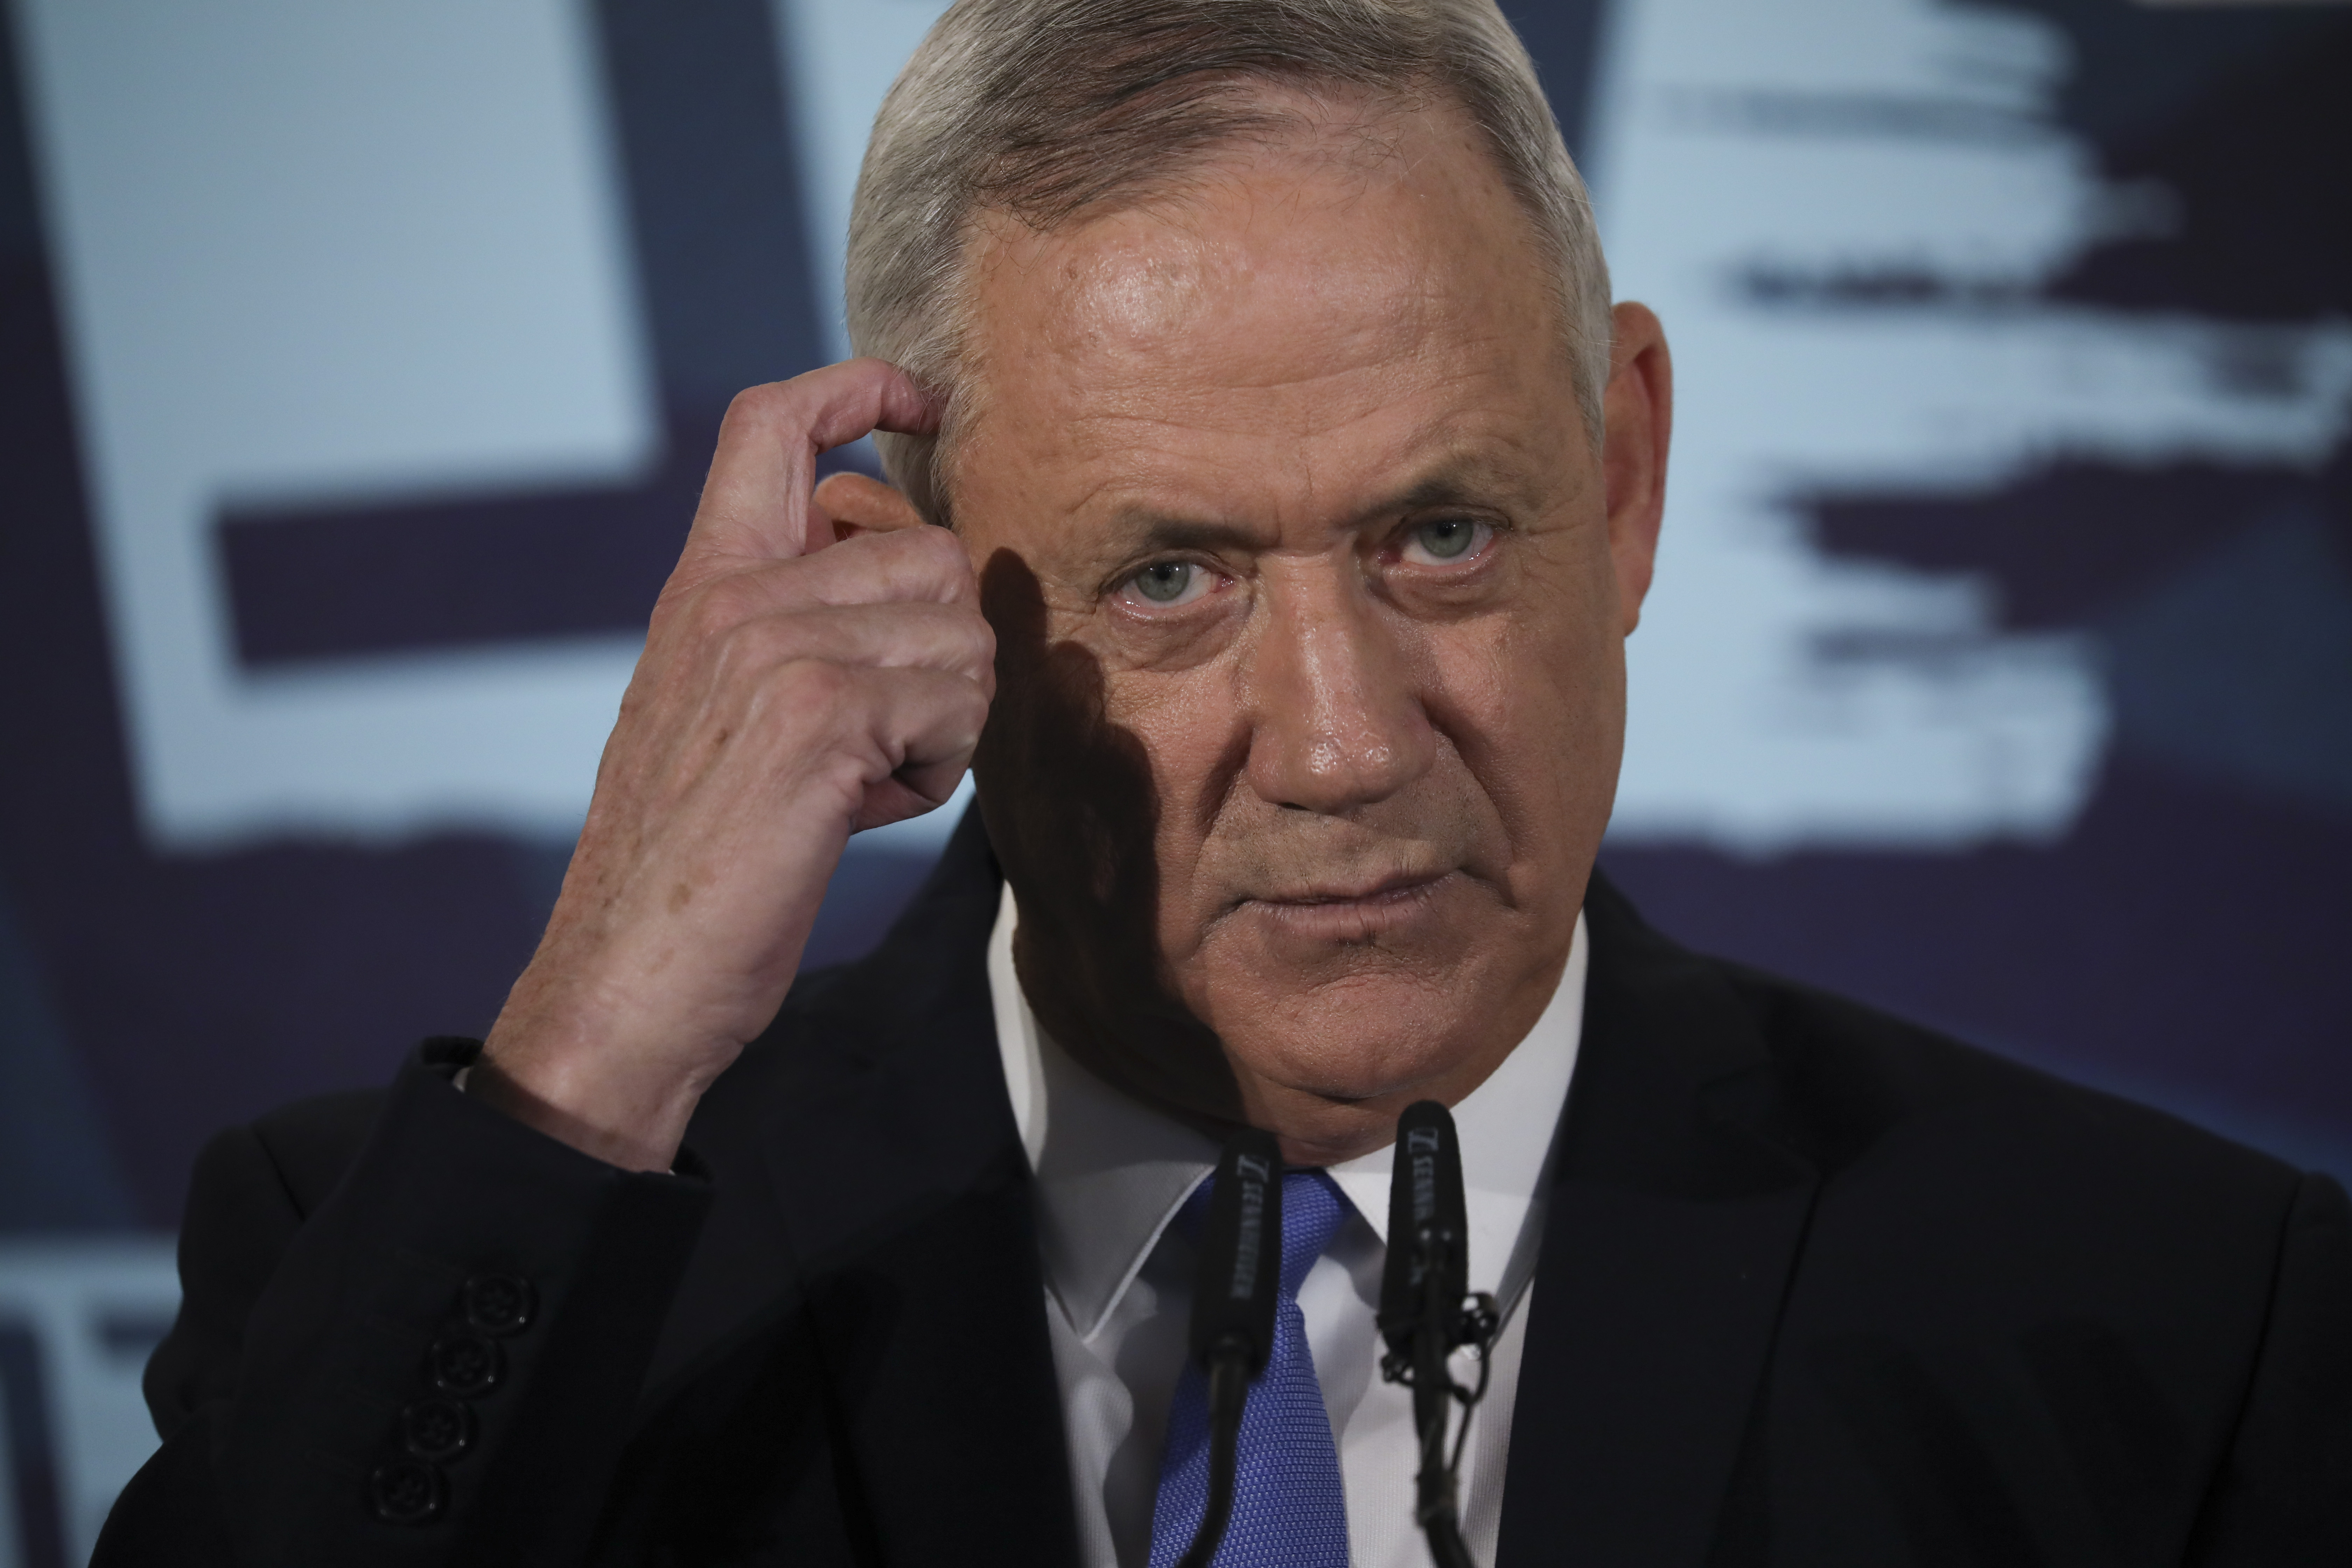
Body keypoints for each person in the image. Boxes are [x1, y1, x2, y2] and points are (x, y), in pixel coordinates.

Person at [97, 0, 2351, 1563]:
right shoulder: (445, 1285)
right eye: (1168, 578)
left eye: (1444, 535)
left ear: (1630, 475)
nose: (1352, 740)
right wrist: (594, 1051)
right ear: (900, 591)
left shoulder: (2178, 1325)